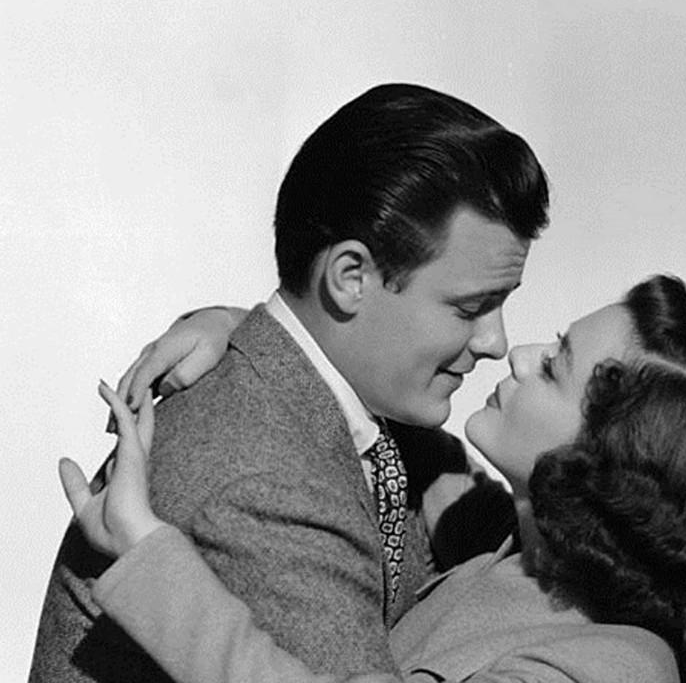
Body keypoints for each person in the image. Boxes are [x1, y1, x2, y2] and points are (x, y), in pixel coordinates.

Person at [31, 83, 550, 682]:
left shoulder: (363, 424)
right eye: (470, 308)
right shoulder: (265, 483)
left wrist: (236, 323)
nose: (496, 342)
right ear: (350, 277)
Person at [60, 275, 686, 683]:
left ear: (609, 469)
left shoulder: (616, 669)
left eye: (555, 365)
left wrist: (146, 549)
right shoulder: (500, 536)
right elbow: (335, 371)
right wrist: (232, 326)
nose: (517, 354)